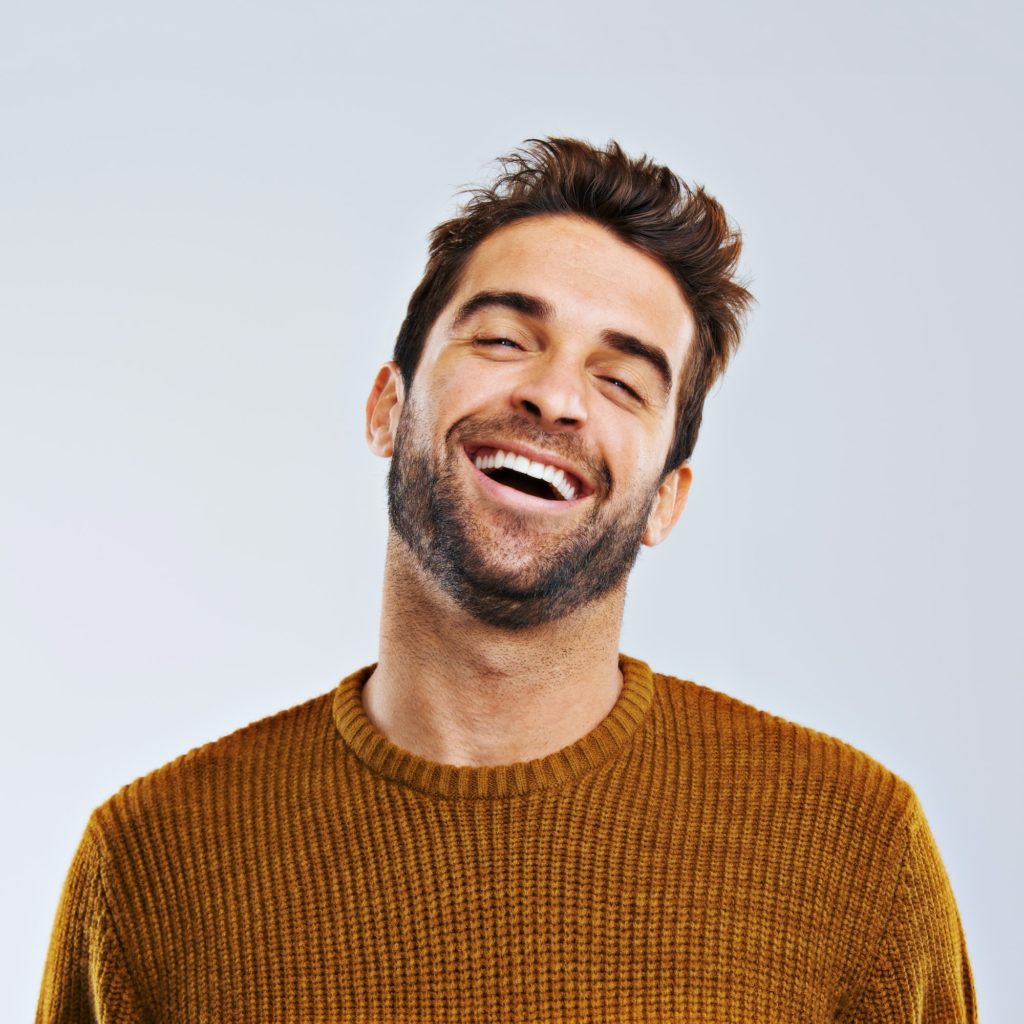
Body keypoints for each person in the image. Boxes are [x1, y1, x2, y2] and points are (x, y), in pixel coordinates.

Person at [37, 138, 976, 1022]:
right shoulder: (149, 862)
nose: (556, 396)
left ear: (666, 501)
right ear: (386, 407)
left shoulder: (855, 849)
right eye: (501, 340)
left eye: (622, 382)